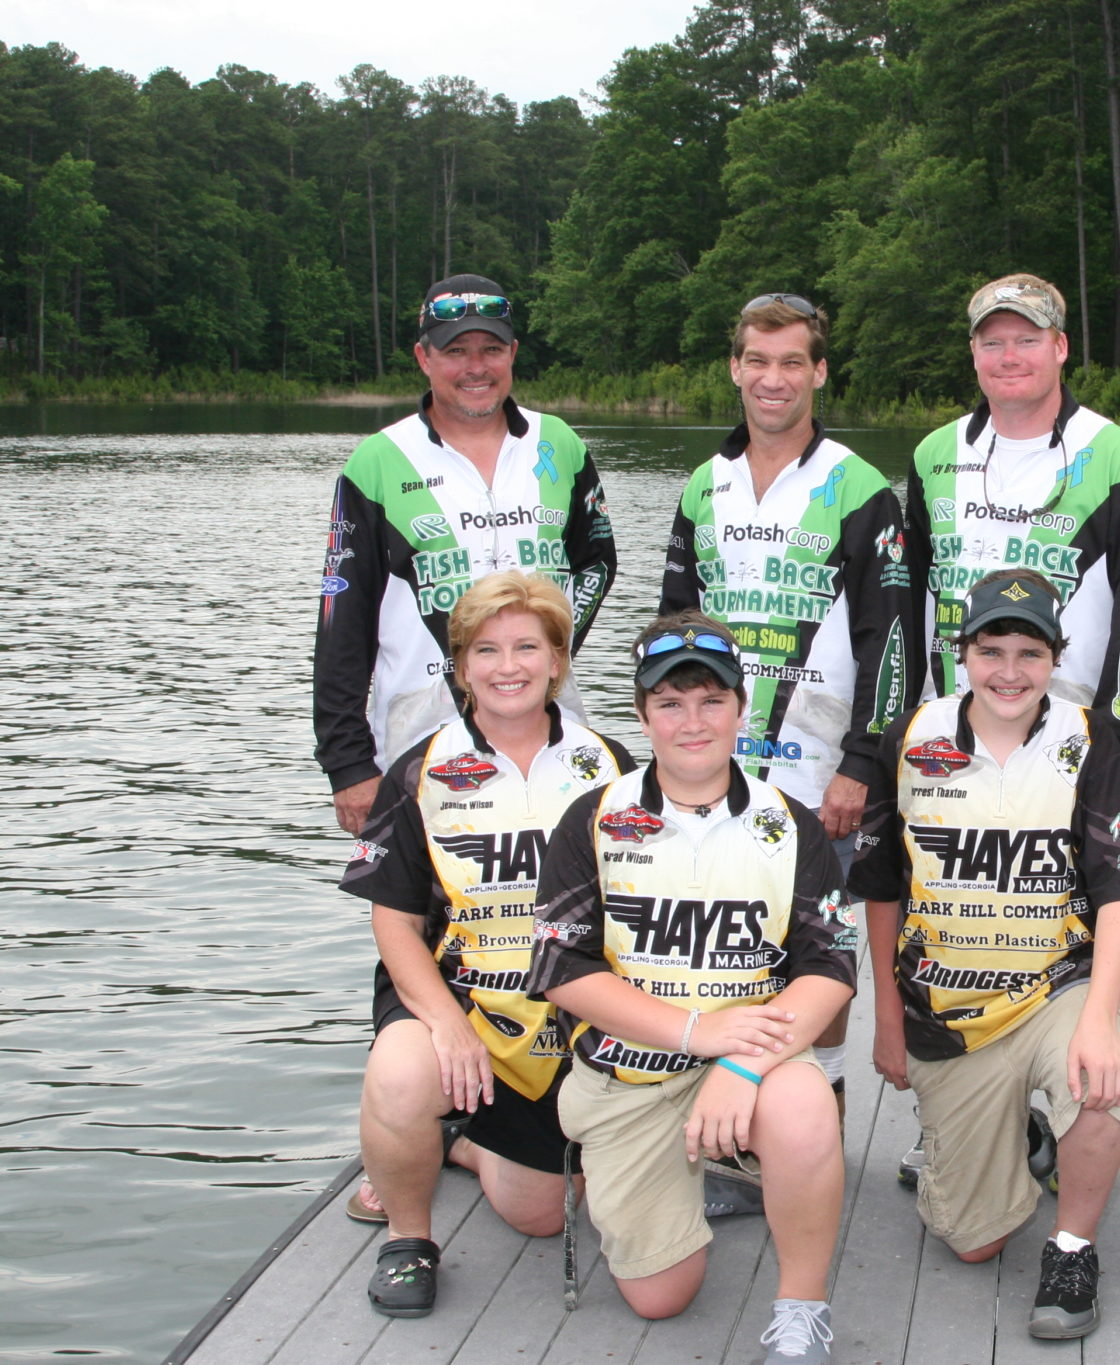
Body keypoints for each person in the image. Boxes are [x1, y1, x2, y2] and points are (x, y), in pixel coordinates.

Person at [527, 613, 856, 1364]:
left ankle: (801, 1308)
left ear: (742, 707)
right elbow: (558, 969)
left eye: (711, 699)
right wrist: (694, 1032)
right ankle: (705, 1171)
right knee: (661, 1295)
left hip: (749, 1054)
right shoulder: (594, 819)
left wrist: (736, 1063)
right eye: (669, 703)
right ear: (642, 715)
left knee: (806, 1107)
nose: (692, 721)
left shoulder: (791, 824)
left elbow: (830, 968)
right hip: (634, 1069)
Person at [850, 569, 1120, 1341]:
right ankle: (1020, 1135)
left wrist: (1103, 1018)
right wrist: (887, 1015)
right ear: (963, 653)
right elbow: (882, 887)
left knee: (1106, 1081)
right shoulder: (910, 738)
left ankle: (1073, 1248)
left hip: (1057, 984)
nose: (1009, 671)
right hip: (946, 1007)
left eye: (1030, 651)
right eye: (991, 650)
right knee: (973, 1241)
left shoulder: (1089, 740)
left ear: (1055, 657)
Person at [337, 571, 634, 1318]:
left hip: (568, 1013)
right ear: (461, 665)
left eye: (528, 646)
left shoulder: (613, 765)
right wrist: (443, 1025)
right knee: (402, 1070)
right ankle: (408, 1236)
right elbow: (393, 921)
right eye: (488, 648)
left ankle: (460, 1142)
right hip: (463, 1004)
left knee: (541, 1213)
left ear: (558, 659)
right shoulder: (420, 769)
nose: (510, 666)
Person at [658, 293, 919, 1141]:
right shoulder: (705, 485)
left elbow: (892, 642)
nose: (774, 380)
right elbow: (672, 633)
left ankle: (821, 1107)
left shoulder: (861, 487)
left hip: (820, 775)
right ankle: (730, 1120)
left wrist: (860, 763)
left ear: (819, 373)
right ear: (735, 366)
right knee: (732, 941)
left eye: (792, 362)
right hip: (716, 769)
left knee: (820, 950)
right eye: (758, 361)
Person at [316, 273, 616, 836]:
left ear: (513, 354)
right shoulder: (378, 462)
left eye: (491, 349)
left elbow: (598, 563)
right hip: (418, 741)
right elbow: (341, 624)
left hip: (551, 740)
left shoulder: (561, 445)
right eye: (456, 351)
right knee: (424, 917)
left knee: (563, 911)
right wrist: (347, 763)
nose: (475, 367)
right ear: (423, 358)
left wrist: (548, 653)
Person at [905, 272, 1120, 771]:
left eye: (1028, 340)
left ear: (1060, 346)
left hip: (1073, 749)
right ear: (973, 351)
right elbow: (905, 603)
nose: (1009, 357)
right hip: (945, 746)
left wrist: (1117, 750)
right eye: (993, 343)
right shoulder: (932, 452)